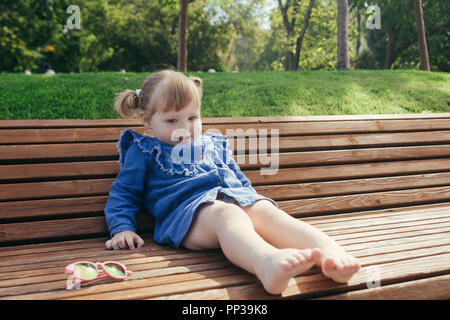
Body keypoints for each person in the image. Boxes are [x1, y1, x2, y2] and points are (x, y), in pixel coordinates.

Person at [104, 69, 360, 294]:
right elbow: (124, 193)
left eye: (192, 118)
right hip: (188, 217)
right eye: (172, 120)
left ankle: (330, 254)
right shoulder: (145, 150)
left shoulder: (212, 143)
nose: (186, 127)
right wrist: (122, 228)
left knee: (266, 212)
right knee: (228, 215)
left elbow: (237, 179)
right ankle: (267, 263)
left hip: (232, 200)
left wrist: (253, 205)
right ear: (147, 119)